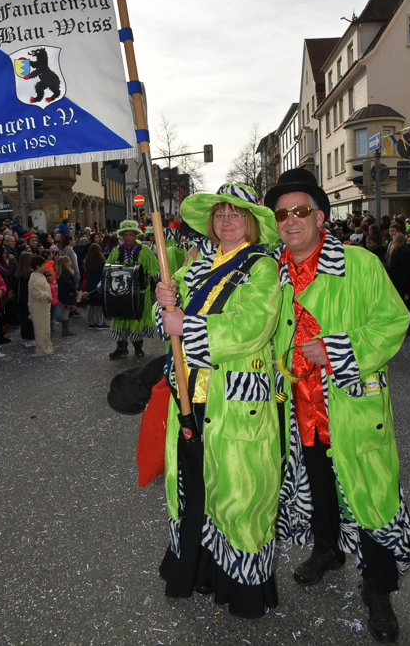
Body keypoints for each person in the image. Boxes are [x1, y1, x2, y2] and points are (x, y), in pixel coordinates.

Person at [263, 168, 410, 643]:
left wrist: (336, 349)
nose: (290, 220)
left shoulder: (359, 264)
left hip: (351, 406)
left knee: (370, 495)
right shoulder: (270, 275)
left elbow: (393, 321)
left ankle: (379, 588)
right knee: (317, 487)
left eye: (300, 211)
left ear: (319, 217)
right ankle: (327, 550)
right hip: (298, 411)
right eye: (282, 214)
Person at [155, 184, 282, 619]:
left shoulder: (262, 268)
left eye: (236, 214)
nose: (226, 221)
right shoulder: (195, 265)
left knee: (239, 490)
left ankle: (242, 588)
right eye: (221, 214)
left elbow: (253, 327)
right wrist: (164, 304)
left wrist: (185, 326)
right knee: (195, 482)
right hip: (191, 393)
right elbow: (166, 322)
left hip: (235, 397)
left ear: (251, 223)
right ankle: (197, 569)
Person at [107, 220, 160, 359]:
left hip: (140, 293)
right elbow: (108, 269)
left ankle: (138, 347)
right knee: (120, 318)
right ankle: (121, 347)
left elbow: (154, 268)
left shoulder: (145, 251)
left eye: (130, 234)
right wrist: (103, 284)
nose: (128, 237)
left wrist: (158, 278)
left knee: (137, 319)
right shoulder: (116, 251)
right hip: (120, 292)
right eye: (125, 235)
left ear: (136, 235)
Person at [28, 256, 54, 356]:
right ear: (37, 266)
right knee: (41, 329)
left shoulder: (39, 276)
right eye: (43, 265)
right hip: (38, 308)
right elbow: (34, 292)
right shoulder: (34, 277)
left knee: (45, 328)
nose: (45, 266)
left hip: (43, 307)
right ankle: (42, 349)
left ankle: (47, 346)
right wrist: (45, 296)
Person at [83, 243, 107, 329]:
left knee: (92, 304)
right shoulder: (100, 260)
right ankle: (99, 322)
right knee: (99, 305)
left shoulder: (88, 260)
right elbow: (103, 273)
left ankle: (91, 322)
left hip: (90, 284)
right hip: (98, 285)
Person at [16, 251, 35, 348]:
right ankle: (29, 338)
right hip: (28, 299)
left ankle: (25, 337)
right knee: (29, 319)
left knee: (24, 319)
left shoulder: (20, 272)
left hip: (22, 299)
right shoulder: (30, 273)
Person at [55, 255, 77, 337]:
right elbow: (68, 283)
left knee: (65, 311)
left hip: (63, 295)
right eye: (69, 261)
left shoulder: (61, 273)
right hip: (67, 295)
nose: (70, 262)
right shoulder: (67, 273)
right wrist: (73, 290)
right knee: (66, 312)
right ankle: (65, 330)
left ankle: (65, 330)